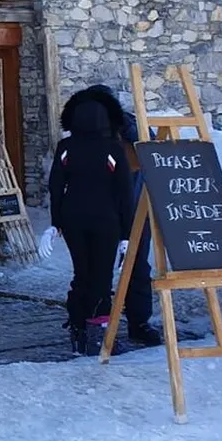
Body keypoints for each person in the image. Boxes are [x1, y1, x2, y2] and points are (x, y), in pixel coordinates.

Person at [49, 92, 136, 354]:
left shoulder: (66, 148)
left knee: (82, 274)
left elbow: (55, 187)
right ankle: (98, 332)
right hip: (105, 220)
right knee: (100, 276)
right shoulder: (113, 149)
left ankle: (78, 327)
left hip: (73, 219)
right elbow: (124, 193)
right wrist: (126, 232)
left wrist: (55, 222)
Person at [79, 85, 162, 347]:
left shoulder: (131, 126)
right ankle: (97, 328)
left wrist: (122, 124)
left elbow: (148, 146)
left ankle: (139, 323)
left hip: (134, 210)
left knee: (138, 267)